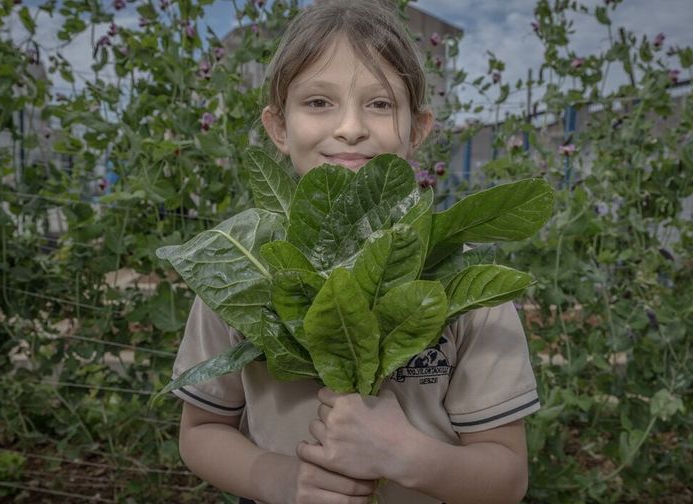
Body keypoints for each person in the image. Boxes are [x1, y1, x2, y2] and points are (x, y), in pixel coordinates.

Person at [173, 1, 540, 502]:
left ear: (418, 129)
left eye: (380, 103)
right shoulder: (244, 265)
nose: (350, 127)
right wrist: (284, 482)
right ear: (278, 127)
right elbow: (199, 432)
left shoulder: (458, 274)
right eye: (319, 102)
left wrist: (403, 454)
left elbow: (507, 477)